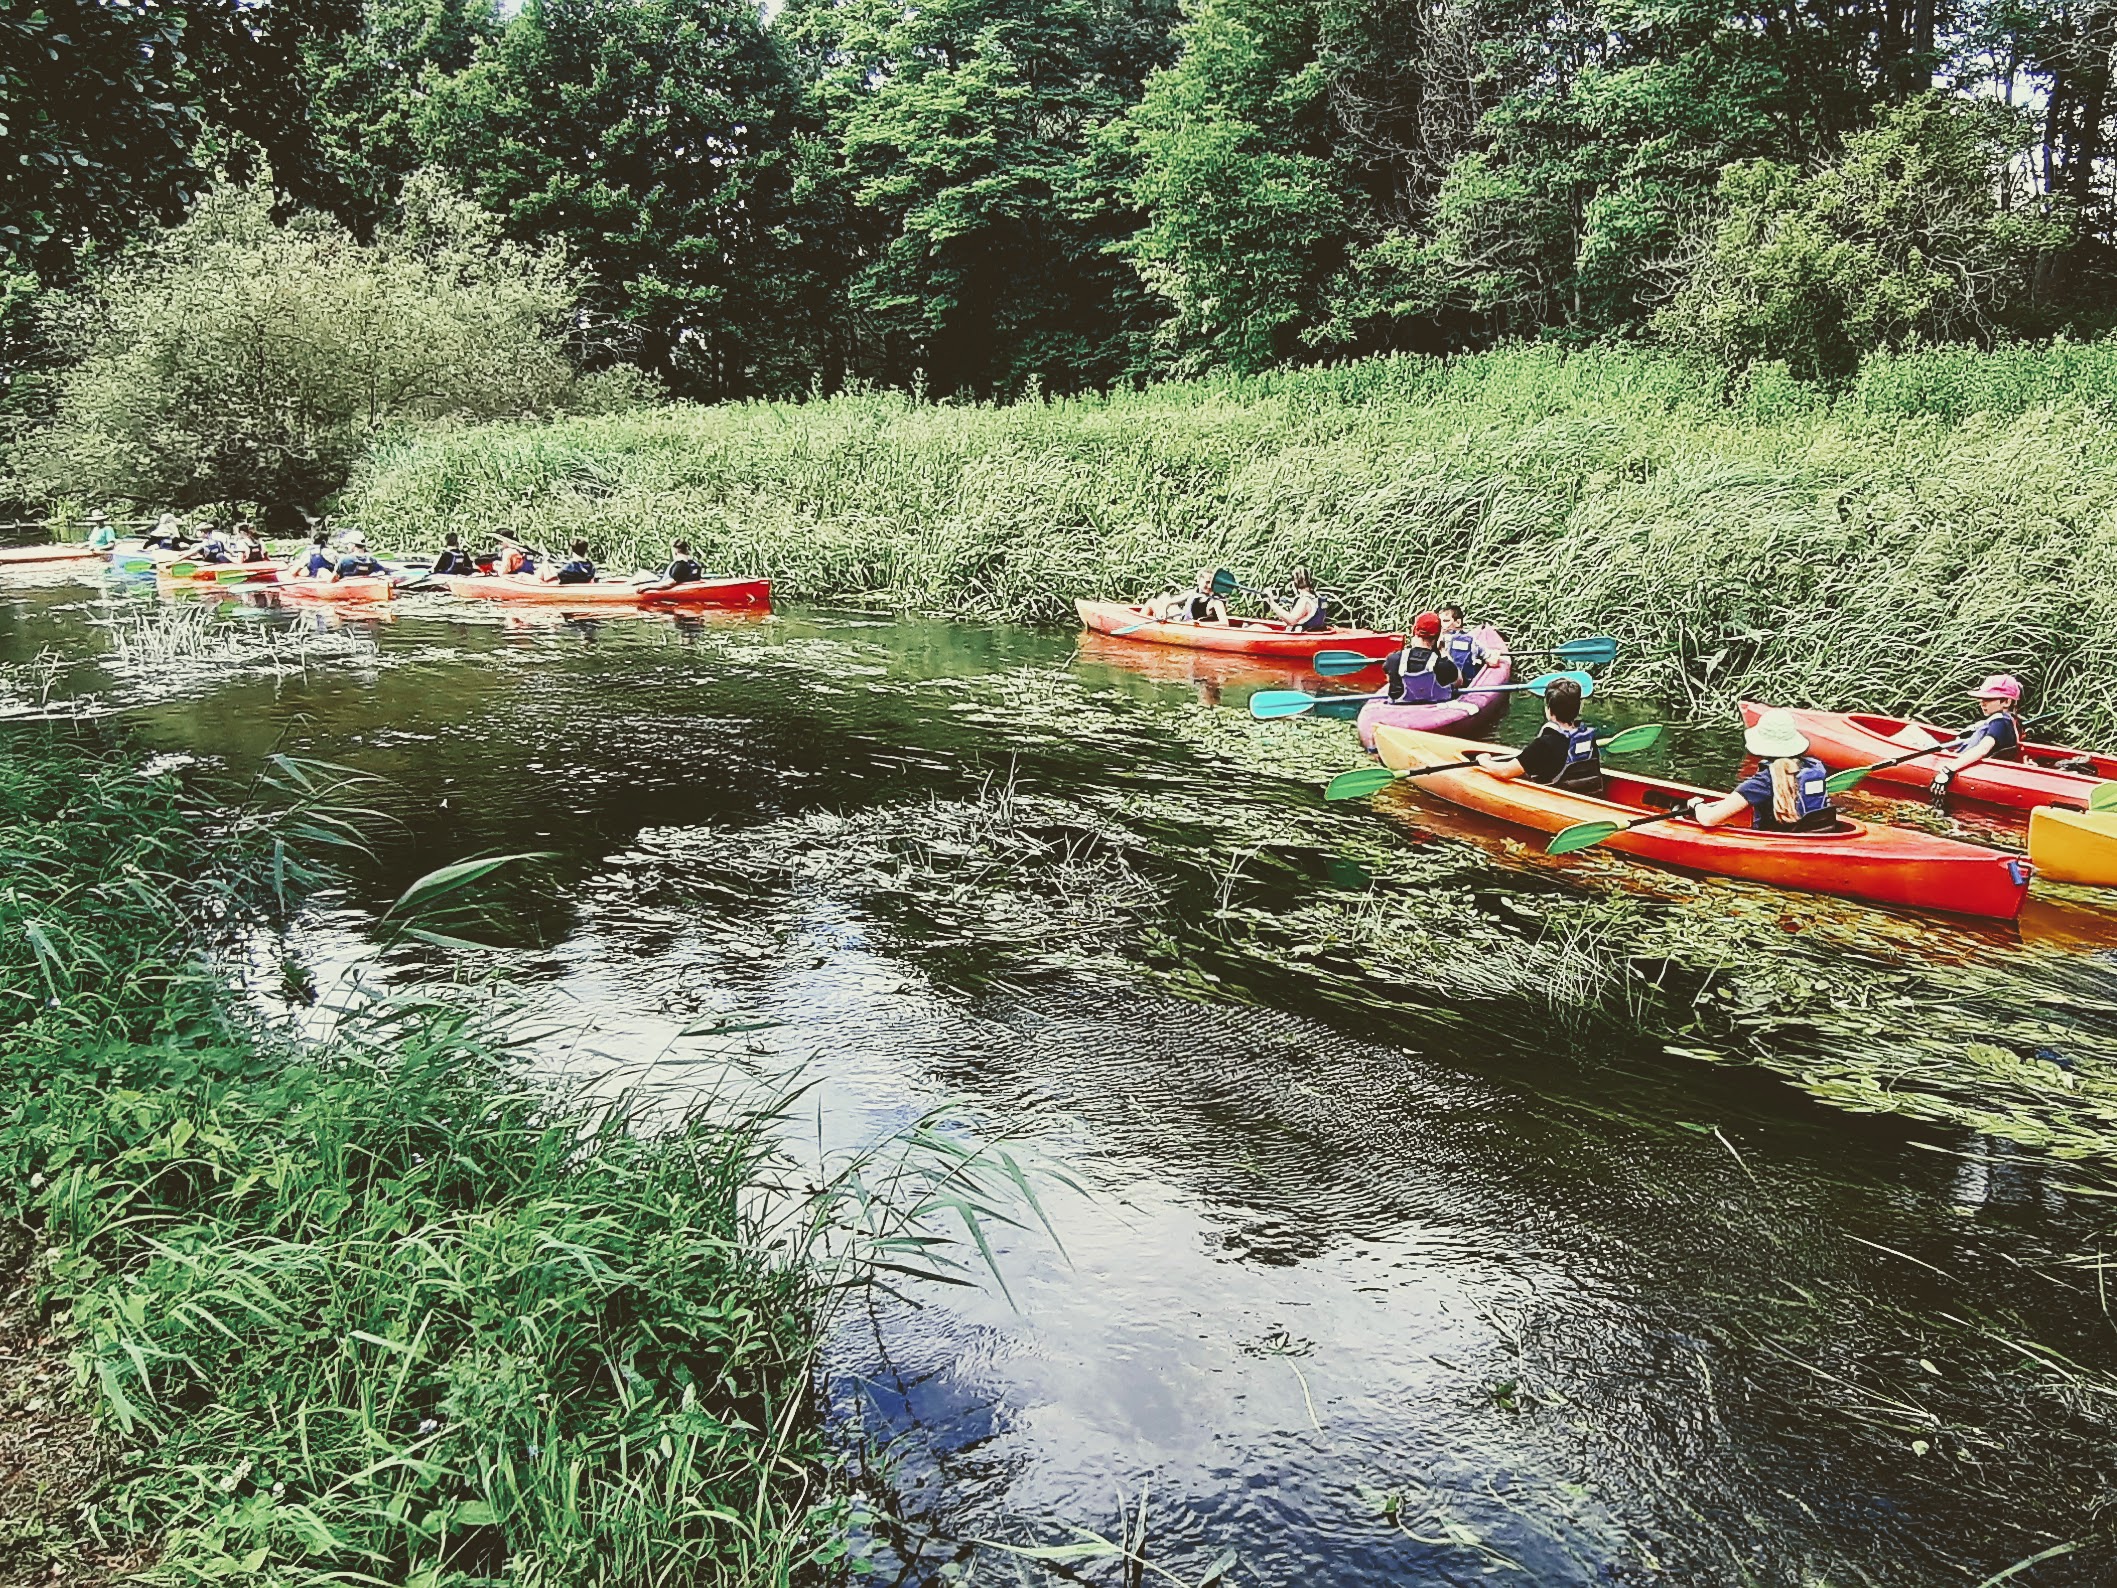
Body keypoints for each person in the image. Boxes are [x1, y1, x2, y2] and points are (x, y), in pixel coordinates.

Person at [1688, 709, 1837, 831]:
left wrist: (1696, 805)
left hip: (1779, 841)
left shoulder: (1761, 783)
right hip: (1812, 832)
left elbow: (1709, 819)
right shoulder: (1813, 767)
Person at [1476, 676, 1602, 793]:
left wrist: (1483, 761)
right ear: (1578, 709)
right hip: (1583, 793)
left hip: (1556, 797)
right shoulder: (1587, 737)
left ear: (1549, 710)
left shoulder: (1544, 744)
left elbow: (1505, 772)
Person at [1929, 675, 2025, 799]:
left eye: (1988, 699)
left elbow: (1983, 749)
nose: (1982, 703)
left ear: (2006, 702)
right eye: (1981, 698)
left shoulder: (1999, 723)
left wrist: (1948, 770)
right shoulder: (2008, 721)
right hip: (1960, 755)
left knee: (1910, 733)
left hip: (1957, 761)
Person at [1381, 612, 1461, 706]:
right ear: (1438, 637)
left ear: (1414, 632)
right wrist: (1443, 651)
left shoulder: (1393, 659)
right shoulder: (1443, 665)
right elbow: (1459, 682)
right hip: (1434, 712)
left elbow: (1390, 680)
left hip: (1401, 711)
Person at [1264, 568, 1330, 632]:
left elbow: (1291, 621)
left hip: (1298, 638)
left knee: (1256, 627)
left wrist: (1272, 603)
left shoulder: (1304, 601)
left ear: (1294, 584)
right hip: (1307, 635)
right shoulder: (1315, 597)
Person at [1154, 568, 1227, 624]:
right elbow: (1169, 602)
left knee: (1152, 603)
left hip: (1193, 628)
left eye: (1212, 583)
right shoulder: (1193, 592)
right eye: (1207, 582)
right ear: (1199, 581)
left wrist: (1201, 624)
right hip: (1184, 622)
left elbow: (1224, 623)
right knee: (1163, 598)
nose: (1209, 586)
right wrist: (1162, 611)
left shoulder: (1216, 601)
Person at [1437, 606, 1490, 682]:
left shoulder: (1439, 639)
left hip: (1444, 686)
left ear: (1458, 622)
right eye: (1439, 622)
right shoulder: (1473, 641)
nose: (1441, 625)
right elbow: (1492, 660)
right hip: (1466, 685)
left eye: (1445, 621)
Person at [641, 539, 705, 591]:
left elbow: (670, 583)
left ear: (675, 551)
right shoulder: (692, 562)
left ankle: (631, 587)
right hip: (668, 579)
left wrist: (647, 587)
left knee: (642, 574)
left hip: (666, 584)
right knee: (646, 573)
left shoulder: (680, 564)